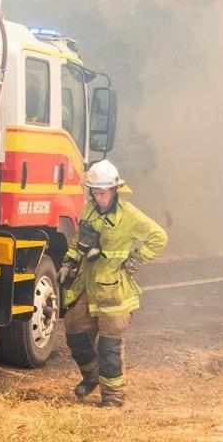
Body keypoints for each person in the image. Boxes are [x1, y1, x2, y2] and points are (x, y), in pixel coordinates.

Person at [58, 159, 167, 408]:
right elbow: (78, 243)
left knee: (109, 348)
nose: (99, 197)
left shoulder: (129, 215)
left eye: (103, 192)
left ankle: (113, 397)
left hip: (114, 292)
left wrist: (136, 258)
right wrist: (68, 263)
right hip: (87, 286)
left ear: (115, 189)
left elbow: (159, 237)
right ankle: (91, 376)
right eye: (94, 192)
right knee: (75, 334)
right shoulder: (89, 210)